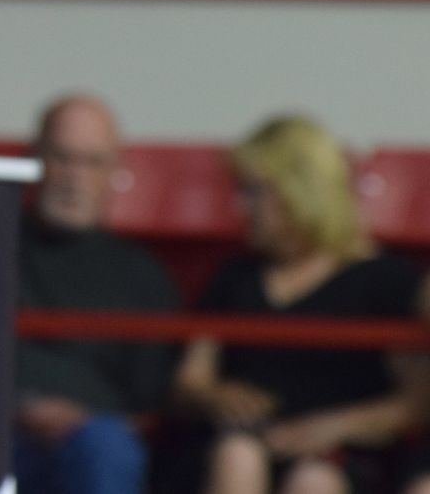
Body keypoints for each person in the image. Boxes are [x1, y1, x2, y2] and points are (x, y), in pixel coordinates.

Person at [169, 115, 425, 494]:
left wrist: (330, 428)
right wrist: (217, 398)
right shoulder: (234, 278)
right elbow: (188, 381)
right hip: (240, 447)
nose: (242, 207)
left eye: (256, 191)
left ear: (301, 193)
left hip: (340, 457)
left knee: (313, 480)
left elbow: (416, 402)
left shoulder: (385, 281)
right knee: (237, 455)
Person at [13, 93, 179, 494]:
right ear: (35, 160)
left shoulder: (145, 277)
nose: (75, 177)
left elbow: (150, 404)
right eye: (63, 158)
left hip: (95, 444)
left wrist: (83, 418)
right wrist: (17, 408)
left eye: (92, 162)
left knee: (106, 446)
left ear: (114, 172)